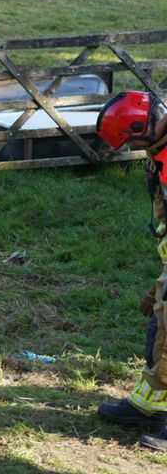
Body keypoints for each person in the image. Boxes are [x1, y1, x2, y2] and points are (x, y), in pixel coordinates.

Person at [95, 90, 167, 451]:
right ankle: (148, 407)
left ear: (146, 127)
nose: (135, 148)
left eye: (133, 141)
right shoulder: (161, 149)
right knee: (158, 329)